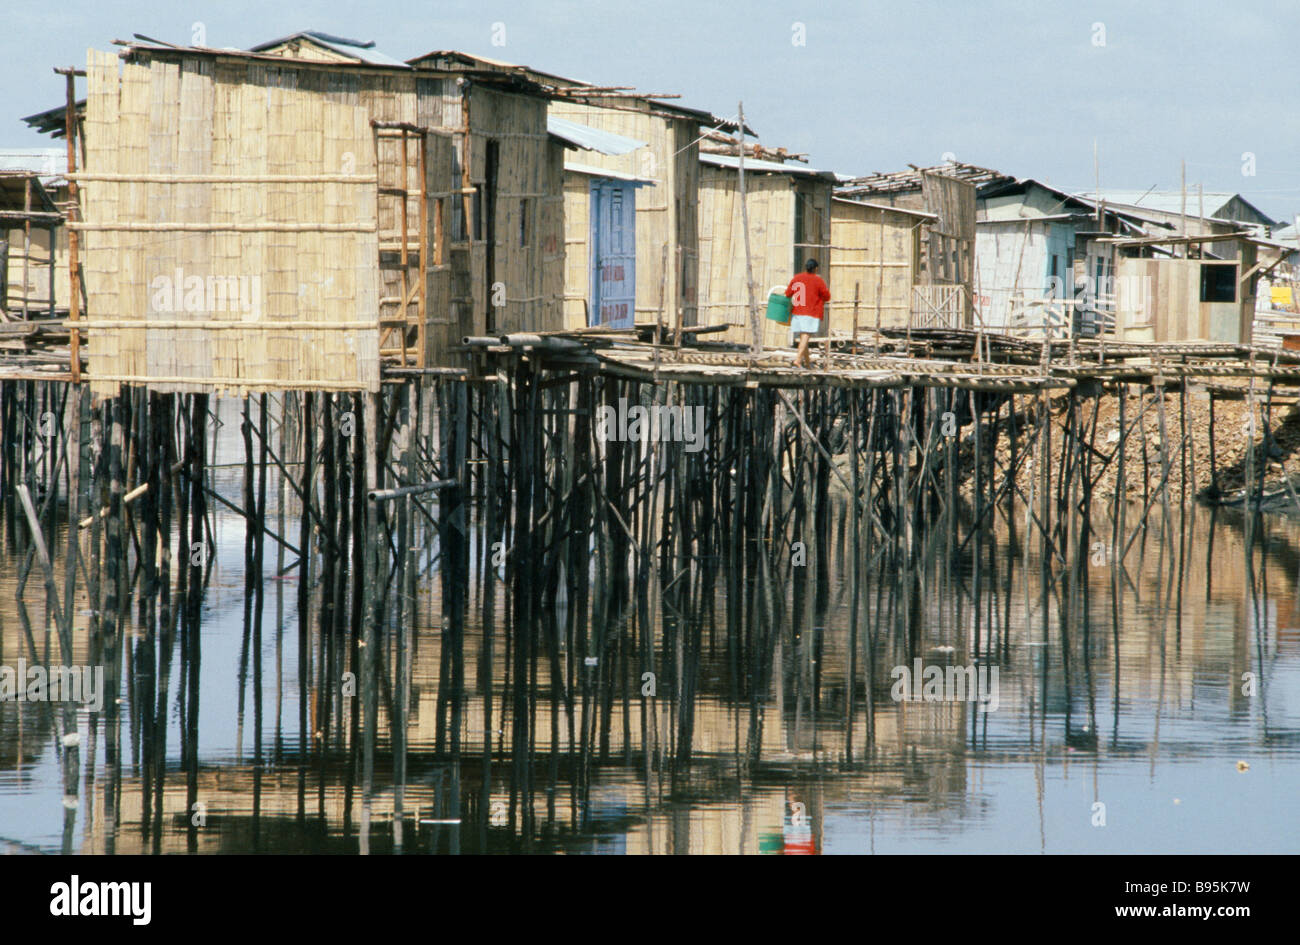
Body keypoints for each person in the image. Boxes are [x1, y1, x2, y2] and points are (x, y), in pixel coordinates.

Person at [785, 259, 830, 368]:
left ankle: (808, 364)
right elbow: (827, 296)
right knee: (805, 336)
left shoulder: (797, 278)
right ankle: (798, 360)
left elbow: (788, 293)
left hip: (797, 311)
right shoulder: (818, 280)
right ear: (815, 269)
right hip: (811, 312)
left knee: (803, 338)